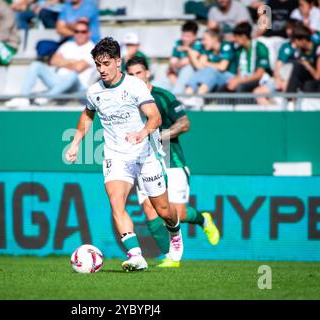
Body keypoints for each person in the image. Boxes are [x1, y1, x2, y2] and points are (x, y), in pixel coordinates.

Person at [65, 37, 184, 271]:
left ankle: (176, 234)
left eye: (106, 63)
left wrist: (142, 133)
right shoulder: (94, 91)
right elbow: (88, 115)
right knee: (116, 203)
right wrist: (75, 143)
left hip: (145, 155)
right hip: (115, 156)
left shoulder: (134, 86)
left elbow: (155, 118)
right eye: (98, 65)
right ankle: (136, 255)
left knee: (163, 210)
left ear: (118, 62)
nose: (102, 69)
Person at [126, 56, 220, 268]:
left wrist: (158, 135)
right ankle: (171, 256)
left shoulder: (161, 96)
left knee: (175, 211)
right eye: (130, 74)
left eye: (138, 72)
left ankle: (204, 219)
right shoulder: (127, 99)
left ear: (147, 73)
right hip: (143, 161)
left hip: (171, 160)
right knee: (150, 209)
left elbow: (184, 123)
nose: (135, 77)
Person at [5, 20, 95, 107]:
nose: (79, 34)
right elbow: (53, 61)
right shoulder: (67, 45)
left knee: (72, 75)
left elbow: (78, 68)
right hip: (57, 81)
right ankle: (23, 98)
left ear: (89, 33)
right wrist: (72, 62)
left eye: (83, 31)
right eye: (76, 31)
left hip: (77, 87)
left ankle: (45, 98)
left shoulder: (93, 48)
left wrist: (64, 61)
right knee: (36, 65)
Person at [185, 27, 236, 107]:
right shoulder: (207, 50)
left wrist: (206, 63)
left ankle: (199, 97)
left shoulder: (226, 46)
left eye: (205, 39)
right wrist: (193, 56)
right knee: (203, 71)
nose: (203, 42)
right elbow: (200, 68)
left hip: (230, 77)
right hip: (215, 77)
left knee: (210, 70)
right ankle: (187, 95)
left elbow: (222, 67)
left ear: (214, 39)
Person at [253, 20, 299, 105]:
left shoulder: (301, 47)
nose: (288, 31)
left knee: (289, 90)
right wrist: (278, 79)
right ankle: (273, 115)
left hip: (294, 80)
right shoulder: (285, 46)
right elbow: (278, 65)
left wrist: (289, 81)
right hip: (281, 78)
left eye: (291, 29)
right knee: (258, 92)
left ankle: (291, 116)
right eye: (287, 29)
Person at [220, 22, 271, 93]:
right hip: (244, 78)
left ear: (243, 36)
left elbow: (259, 74)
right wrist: (234, 80)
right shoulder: (239, 50)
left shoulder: (260, 48)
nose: (234, 40)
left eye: (236, 37)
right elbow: (239, 72)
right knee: (224, 87)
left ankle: (241, 104)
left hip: (258, 80)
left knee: (240, 86)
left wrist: (240, 80)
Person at [286, 23, 320, 93]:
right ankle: (290, 97)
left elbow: (318, 77)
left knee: (308, 84)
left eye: (295, 41)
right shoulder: (300, 52)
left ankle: (291, 97)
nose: (293, 44)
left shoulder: (319, 49)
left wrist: (307, 65)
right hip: (309, 80)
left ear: (303, 40)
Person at [168, 21, 202, 95]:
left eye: (188, 36)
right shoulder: (178, 43)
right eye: (183, 35)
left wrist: (187, 49)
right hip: (178, 74)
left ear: (195, 36)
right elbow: (172, 64)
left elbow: (188, 61)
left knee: (188, 68)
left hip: (194, 75)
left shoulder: (200, 44)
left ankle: (176, 97)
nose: (184, 39)